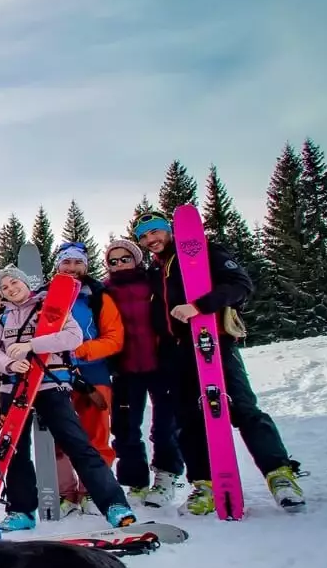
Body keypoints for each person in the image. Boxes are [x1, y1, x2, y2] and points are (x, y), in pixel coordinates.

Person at [136, 209, 305, 512]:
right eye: (144, 236)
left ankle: (279, 474)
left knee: (242, 408)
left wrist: (199, 306)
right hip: (176, 354)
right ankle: (205, 485)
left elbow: (240, 285)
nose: (151, 240)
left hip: (212, 343)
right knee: (189, 421)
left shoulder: (204, 253)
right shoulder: (155, 271)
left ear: (169, 231)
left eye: (155, 232)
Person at [0, 264, 136, 531]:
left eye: (14, 283)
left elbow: (73, 337)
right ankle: (21, 510)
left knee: (76, 442)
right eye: (5, 287)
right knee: (15, 452)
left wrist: (32, 346)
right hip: (14, 389)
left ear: (25, 283)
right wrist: (9, 364)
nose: (11, 289)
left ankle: (113, 503)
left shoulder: (50, 307)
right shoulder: (4, 317)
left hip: (49, 385)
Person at [102, 237, 185, 507]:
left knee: (164, 425)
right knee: (125, 428)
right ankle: (135, 481)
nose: (119, 265)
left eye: (124, 258)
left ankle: (165, 476)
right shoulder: (105, 291)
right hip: (125, 367)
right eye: (113, 261)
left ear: (136, 259)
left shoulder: (154, 281)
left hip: (161, 363)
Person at [51, 243, 124, 515]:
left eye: (77, 263)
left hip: (93, 372)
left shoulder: (98, 295)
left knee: (96, 434)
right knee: (58, 435)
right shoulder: (44, 296)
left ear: (86, 266)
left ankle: (93, 490)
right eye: (66, 263)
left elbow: (114, 338)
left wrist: (79, 351)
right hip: (54, 374)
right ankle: (64, 492)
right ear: (57, 265)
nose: (71, 268)